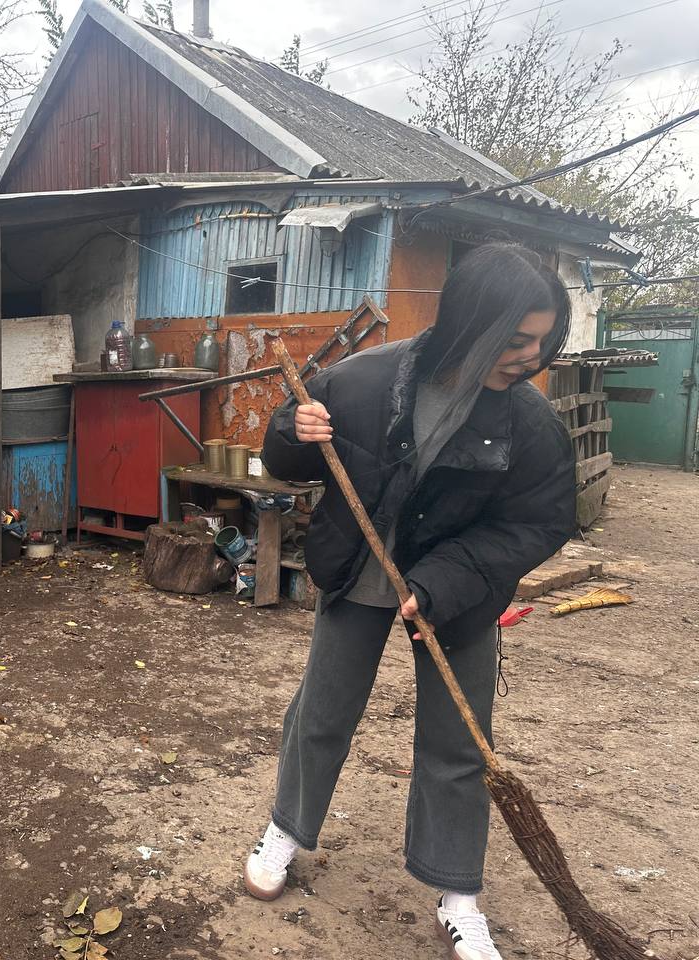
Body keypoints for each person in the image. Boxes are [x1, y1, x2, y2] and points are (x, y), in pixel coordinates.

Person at [247, 243, 576, 960]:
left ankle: (459, 891)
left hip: (458, 590)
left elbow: (540, 521)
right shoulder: (361, 381)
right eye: (515, 339)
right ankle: (287, 828)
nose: (530, 356)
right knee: (323, 712)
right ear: (469, 323)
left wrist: (448, 581)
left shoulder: (528, 421)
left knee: (459, 742)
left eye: (541, 340)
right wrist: (290, 431)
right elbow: (288, 460)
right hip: (363, 572)